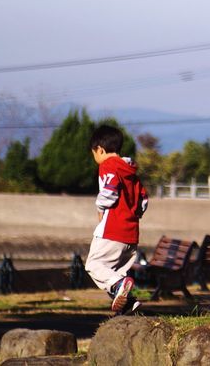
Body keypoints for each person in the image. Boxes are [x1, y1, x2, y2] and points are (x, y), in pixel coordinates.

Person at [85, 125, 148, 315]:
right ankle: (128, 303)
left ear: (100, 150)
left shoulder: (108, 165)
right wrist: (132, 214)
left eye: (94, 153)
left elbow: (109, 191)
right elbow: (143, 201)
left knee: (94, 265)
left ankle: (120, 285)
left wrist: (100, 207)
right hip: (131, 234)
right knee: (115, 271)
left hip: (112, 229)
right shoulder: (130, 171)